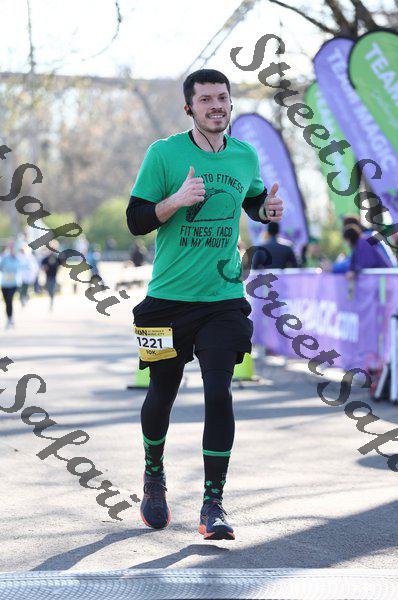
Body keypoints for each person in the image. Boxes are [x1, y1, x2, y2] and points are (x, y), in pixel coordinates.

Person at [126, 68, 284, 541]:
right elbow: (135, 220)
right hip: (166, 302)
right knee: (162, 393)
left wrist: (266, 211)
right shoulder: (164, 154)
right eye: (206, 99)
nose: (216, 106)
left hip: (223, 298)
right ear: (189, 107)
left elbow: (253, 200)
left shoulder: (244, 155)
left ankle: (212, 504)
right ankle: (154, 476)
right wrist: (175, 200)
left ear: (230, 102)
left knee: (219, 393)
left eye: (222, 98)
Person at [0, 241, 22, 328]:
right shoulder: (5, 258)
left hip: (13, 284)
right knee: (7, 303)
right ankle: (9, 318)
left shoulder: (18, 259)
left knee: (9, 301)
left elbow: (18, 268)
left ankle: (10, 320)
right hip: (4, 284)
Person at [41, 243, 62, 310]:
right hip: (48, 276)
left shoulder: (57, 257)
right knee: (48, 288)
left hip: (54, 276)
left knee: (52, 289)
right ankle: (51, 296)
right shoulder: (46, 258)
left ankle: (51, 301)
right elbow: (42, 265)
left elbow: (60, 264)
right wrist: (44, 268)